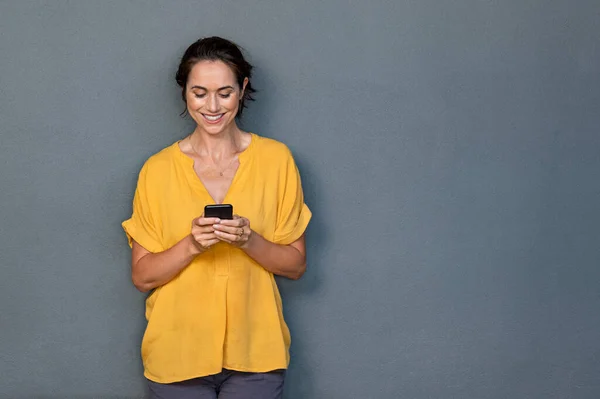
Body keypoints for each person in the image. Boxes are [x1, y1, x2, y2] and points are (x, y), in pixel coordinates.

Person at [122, 36, 311, 399]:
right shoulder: (157, 170)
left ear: (242, 89)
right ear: (184, 93)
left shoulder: (277, 161)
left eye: (224, 93)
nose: (212, 106)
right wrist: (192, 244)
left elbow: (296, 266)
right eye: (199, 92)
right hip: (176, 355)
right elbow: (142, 277)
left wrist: (248, 240)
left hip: (257, 354)